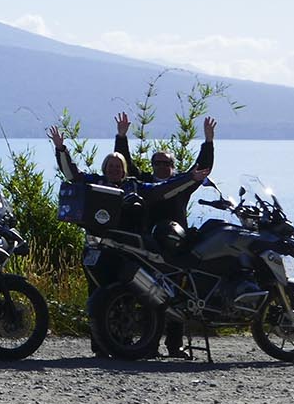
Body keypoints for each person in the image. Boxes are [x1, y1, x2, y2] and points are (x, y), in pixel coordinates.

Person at [52, 114, 217, 359]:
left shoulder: (142, 186)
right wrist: (62, 149)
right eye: (157, 162)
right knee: (106, 296)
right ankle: (106, 345)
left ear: (172, 166)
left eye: (165, 163)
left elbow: (182, 180)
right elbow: (74, 175)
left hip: (157, 249)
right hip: (112, 250)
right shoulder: (102, 183)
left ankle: (160, 345)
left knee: (159, 295)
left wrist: (208, 143)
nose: (115, 169)